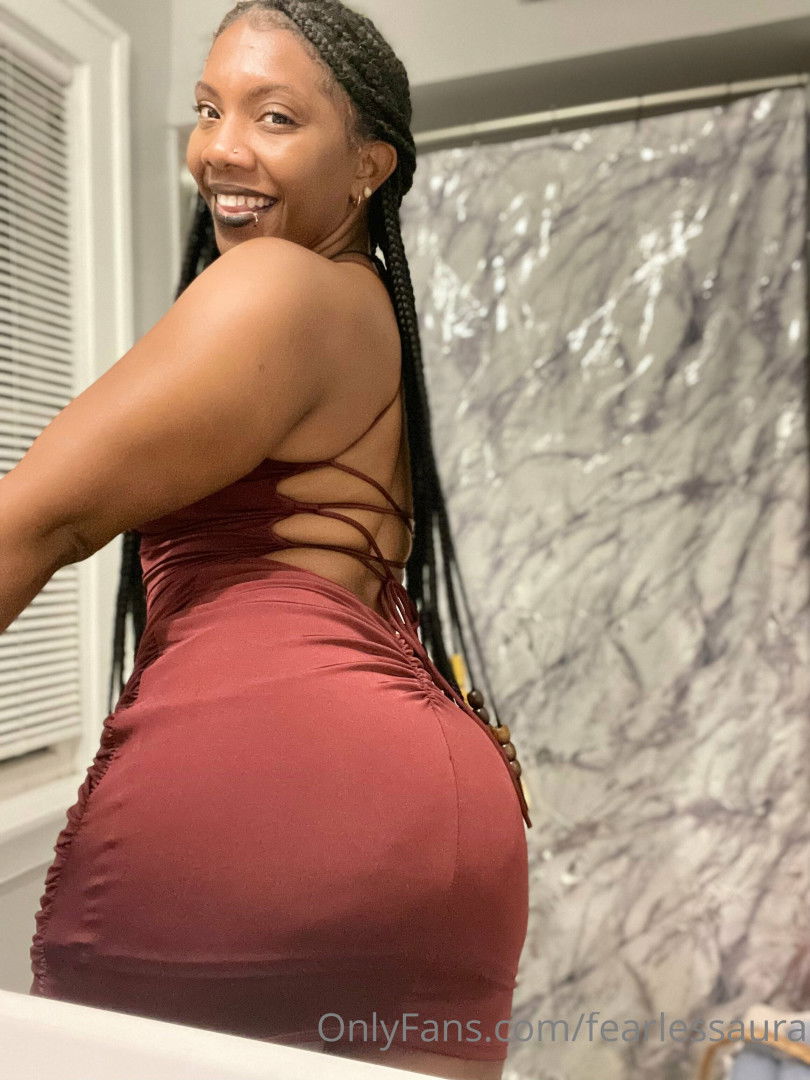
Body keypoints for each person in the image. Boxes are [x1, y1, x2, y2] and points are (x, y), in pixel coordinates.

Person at [1, 2, 530, 1078]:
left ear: (368, 164)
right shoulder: (362, 308)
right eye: (208, 109)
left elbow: (37, 522)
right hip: (437, 823)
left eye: (275, 116)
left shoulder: (274, 282)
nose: (220, 149)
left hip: (274, 815)